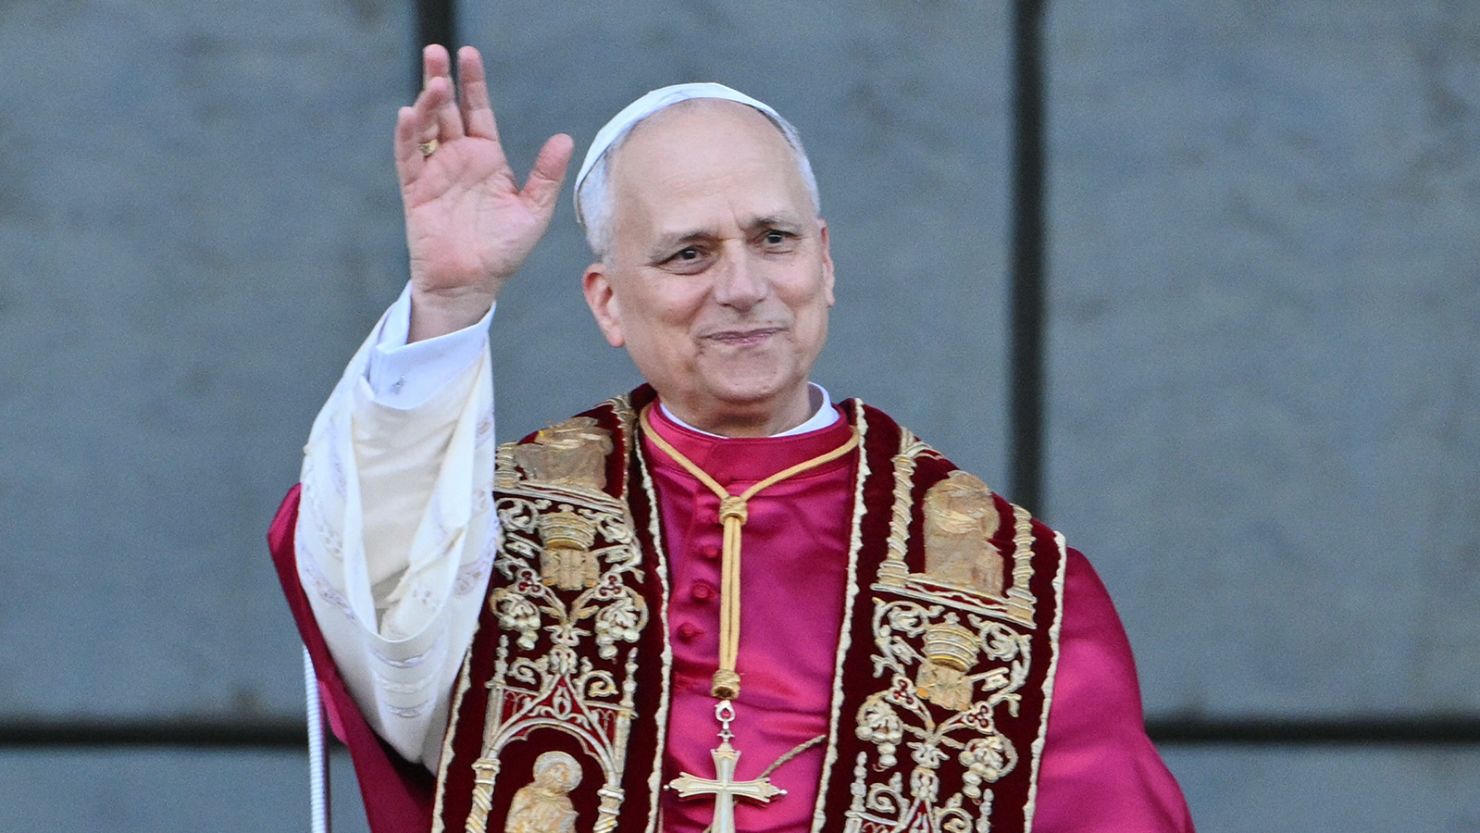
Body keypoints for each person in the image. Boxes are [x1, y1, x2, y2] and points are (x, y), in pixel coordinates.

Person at [268, 43, 1195, 833]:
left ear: (825, 264)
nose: (743, 285)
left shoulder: (1007, 579)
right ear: (608, 303)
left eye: (774, 239)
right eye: (688, 252)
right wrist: (450, 302)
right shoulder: (494, 522)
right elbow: (364, 574)